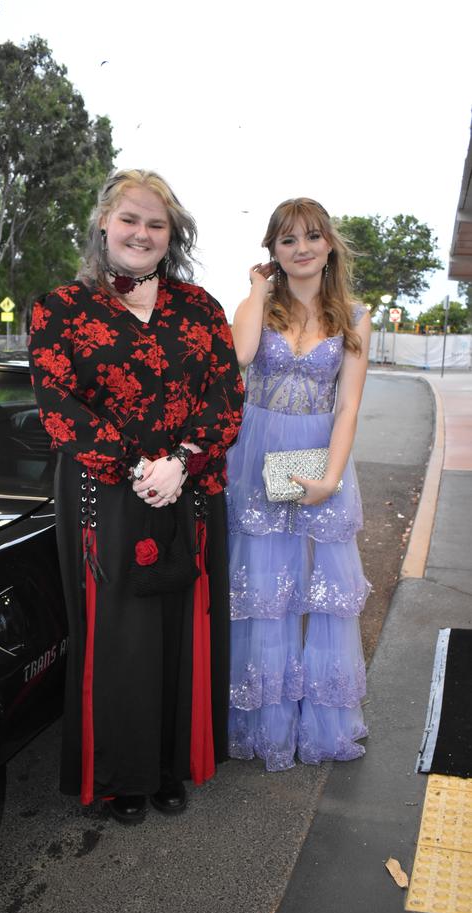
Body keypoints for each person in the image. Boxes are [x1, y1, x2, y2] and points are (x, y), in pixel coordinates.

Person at [28, 168, 244, 822]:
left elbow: (226, 398)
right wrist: (135, 464)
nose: (141, 233)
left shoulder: (201, 308)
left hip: (190, 488)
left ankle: (169, 767)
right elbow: (56, 404)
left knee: (181, 630)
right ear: (103, 224)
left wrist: (179, 461)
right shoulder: (60, 307)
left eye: (156, 223)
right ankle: (123, 776)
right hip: (104, 492)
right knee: (118, 637)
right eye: (130, 219)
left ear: (171, 233)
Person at [226, 197, 371, 771]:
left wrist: (331, 477)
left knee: (320, 595)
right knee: (263, 591)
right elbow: (237, 358)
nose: (302, 248)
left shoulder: (355, 317)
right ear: (273, 252)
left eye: (312, 236)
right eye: (287, 240)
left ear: (329, 244)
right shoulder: (255, 304)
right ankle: (261, 722)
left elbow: (349, 407)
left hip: (318, 456)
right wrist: (257, 295)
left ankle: (317, 724)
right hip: (256, 453)